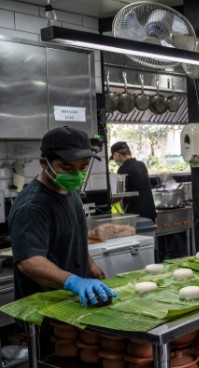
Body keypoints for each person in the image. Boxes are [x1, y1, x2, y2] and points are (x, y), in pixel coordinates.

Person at [9, 127, 117, 355]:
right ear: (44, 163)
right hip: (48, 315)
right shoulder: (33, 206)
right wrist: (74, 282)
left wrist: (89, 264)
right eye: (66, 168)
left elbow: (72, 234)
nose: (76, 175)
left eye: (82, 168)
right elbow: (29, 262)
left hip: (74, 305)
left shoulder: (70, 192)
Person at [110, 141, 157, 222]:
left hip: (136, 216)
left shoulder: (123, 169)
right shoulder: (141, 165)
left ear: (116, 155)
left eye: (114, 157)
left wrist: (106, 201)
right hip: (150, 213)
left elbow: (119, 195)